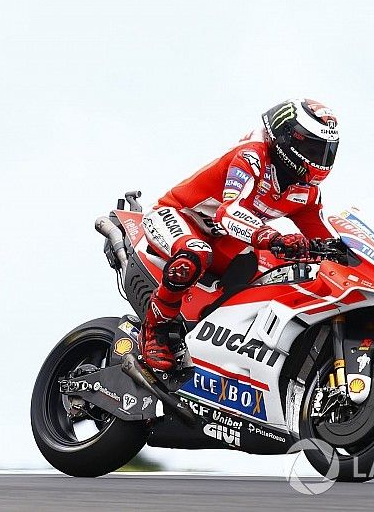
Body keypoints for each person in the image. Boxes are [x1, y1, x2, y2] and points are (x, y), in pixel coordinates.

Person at [139, 98, 340, 371]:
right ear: (284, 138)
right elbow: (228, 211)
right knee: (196, 253)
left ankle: (215, 348)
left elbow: (328, 240)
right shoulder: (252, 156)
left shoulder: (307, 192)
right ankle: (154, 331)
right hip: (179, 216)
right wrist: (275, 238)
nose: (319, 159)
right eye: (311, 147)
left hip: (227, 239)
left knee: (273, 276)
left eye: (325, 151)